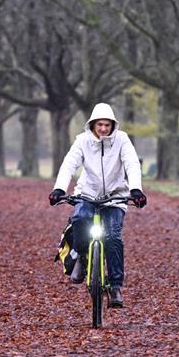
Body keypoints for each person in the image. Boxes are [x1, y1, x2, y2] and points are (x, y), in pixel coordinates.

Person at [49, 102, 147, 308]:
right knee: (79, 219)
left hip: (115, 196)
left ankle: (115, 286)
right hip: (88, 193)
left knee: (112, 237)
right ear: (92, 124)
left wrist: (136, 189)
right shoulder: (82, 141)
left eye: (107, 125)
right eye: (99, 125)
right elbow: (69, 164)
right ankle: (81, 257)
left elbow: (131, 163)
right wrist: (59, 188)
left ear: (113, 125)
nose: (103, 129)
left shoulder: (122, 140)